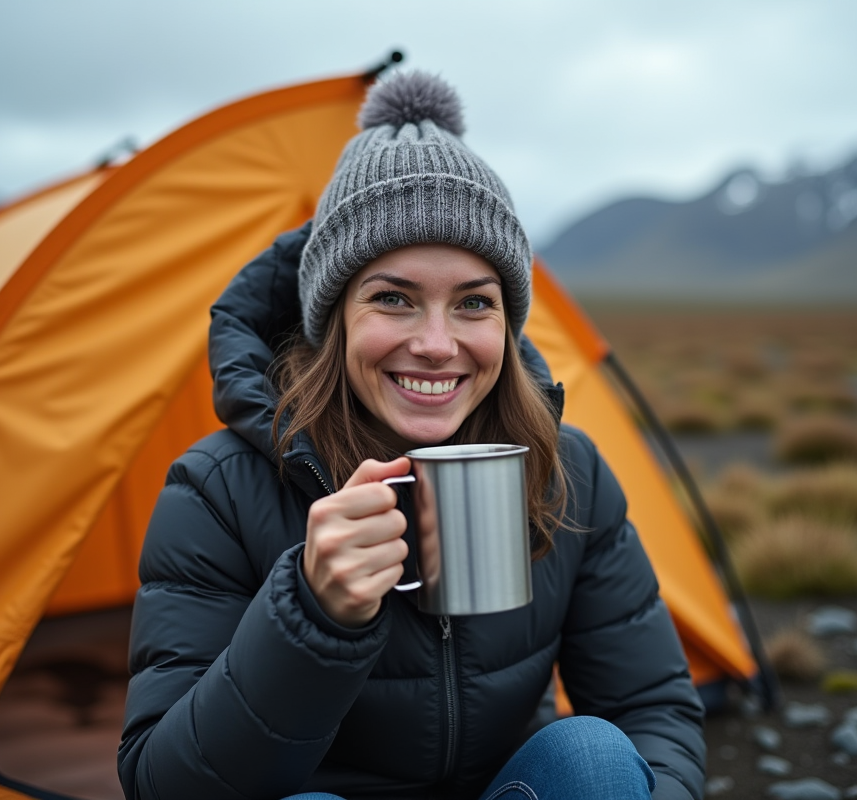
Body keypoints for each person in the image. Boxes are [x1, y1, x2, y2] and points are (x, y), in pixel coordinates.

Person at [118, 71, 705, 800]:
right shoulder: (216, 491)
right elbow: (163, 786)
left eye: (474, 303)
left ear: (507, 323)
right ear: (331, 318)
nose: (436, 344)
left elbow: (652, 711)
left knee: (593, 759)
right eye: (393, 298)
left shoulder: (567, 471)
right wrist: (310, 616)